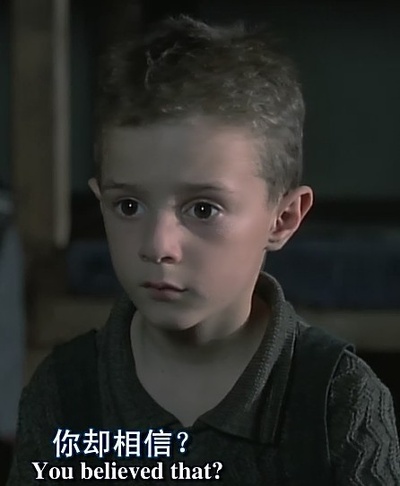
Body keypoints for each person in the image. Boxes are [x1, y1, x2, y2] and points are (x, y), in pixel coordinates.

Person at [7, 15, 400, 485]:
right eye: (128, 206)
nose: (158, 246)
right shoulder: (62, 393)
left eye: (203, 209)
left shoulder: (339, 402)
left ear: (283, 218)